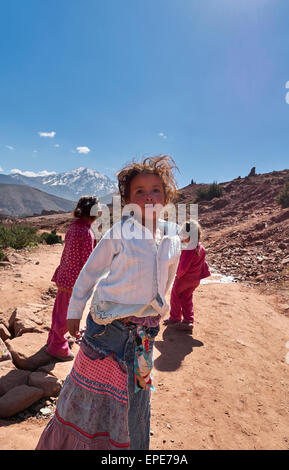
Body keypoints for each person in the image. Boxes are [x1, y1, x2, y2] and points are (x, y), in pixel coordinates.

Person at [36, 155, 181, 450]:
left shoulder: (172, 236)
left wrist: (160, 309)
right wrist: (75, 311)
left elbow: (169, 276)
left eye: (155, 189)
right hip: (107, 329)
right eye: (138, 191)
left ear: (166, 196)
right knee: (89, 395)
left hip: (144, 334)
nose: (148, 196)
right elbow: (90, 272)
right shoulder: (120, 232)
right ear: (128, 200)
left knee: (136, 400)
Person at [46, 196, 100, 361]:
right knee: (67, 315)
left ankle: (53, 339)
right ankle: (57, 346)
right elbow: (88, 262)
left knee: (59, 311)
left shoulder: (74, 227)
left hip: (65, 276)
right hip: (74, 281)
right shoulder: (86, 232)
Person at [164, 220, 211, 332]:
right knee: (187, 298)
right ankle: (188, 321)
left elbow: (183, 266)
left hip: (184, 279)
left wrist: (177, 275)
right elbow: (203, 263)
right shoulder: (200, 248)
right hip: (195, 280)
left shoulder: (188, 249)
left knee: (175, 296)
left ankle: (175, 319)